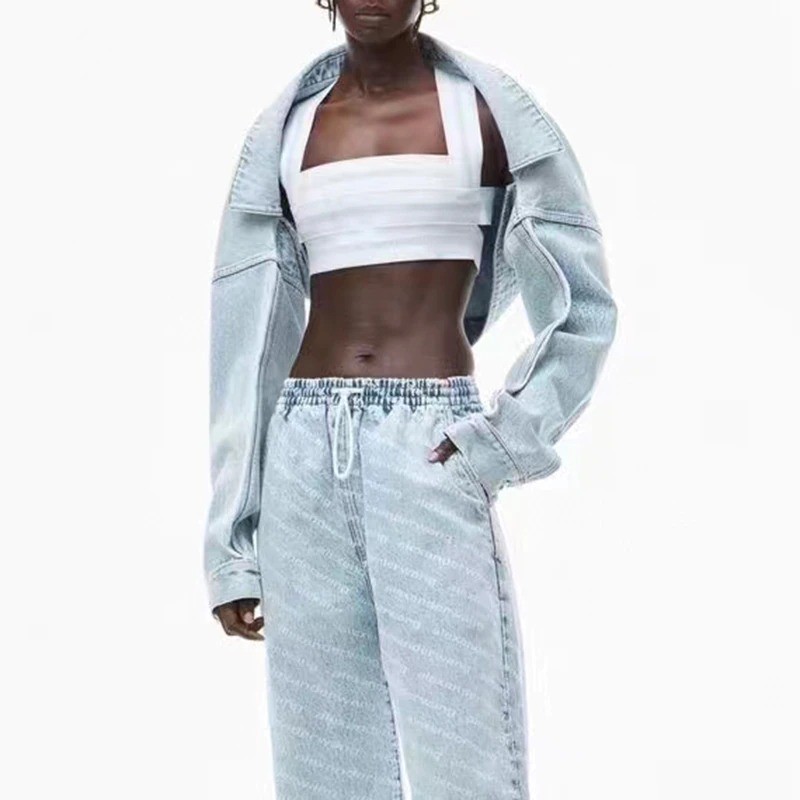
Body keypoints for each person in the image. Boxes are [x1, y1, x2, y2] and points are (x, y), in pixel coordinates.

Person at [203, 1, 618, 797]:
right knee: (324, 763)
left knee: (464, 753)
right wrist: (233, 543)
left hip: (427, 445)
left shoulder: (486, 117)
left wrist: (503, 441)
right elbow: (246, 348)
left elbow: (583, 309)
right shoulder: (285, 133)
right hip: (301, 453)